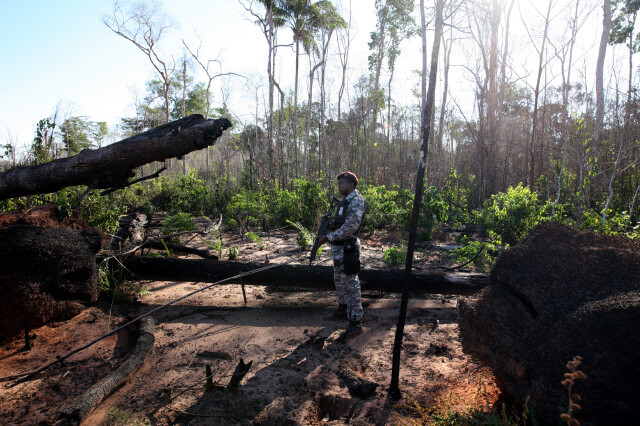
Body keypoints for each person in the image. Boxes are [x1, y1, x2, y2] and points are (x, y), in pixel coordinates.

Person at [316, 171, 366, 338]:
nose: (339, 186)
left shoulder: (357, 201)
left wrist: (327, 237)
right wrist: (331, 226)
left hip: (349, 250)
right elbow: (341, 223)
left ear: (351, 183)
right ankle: (342, 309)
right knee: (339, 281)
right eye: (338, 183)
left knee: (351, 285)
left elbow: (351, 227)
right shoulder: (343, 202)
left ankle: (355, 322)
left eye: (341, 183)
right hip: (338, 249)